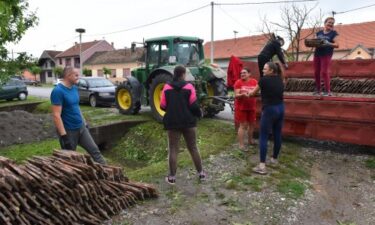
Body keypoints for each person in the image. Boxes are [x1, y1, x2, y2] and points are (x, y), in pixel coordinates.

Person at [50, 66, 106, 164]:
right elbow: (56, 115)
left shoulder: (74, 88)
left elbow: (76, 107)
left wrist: (84, 122)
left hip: (81, 127)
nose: (78, 77)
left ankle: (109, 175)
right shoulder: (58, 91)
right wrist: (64, 136)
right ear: (68, 75)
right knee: (70, 159)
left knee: (95, 151)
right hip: (68, 131)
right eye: (76, 75)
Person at [160, 65, 206, 185]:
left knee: (173, 149)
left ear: (174, 74)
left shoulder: (166, 87)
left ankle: (172, 177)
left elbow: (162, 106)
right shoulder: (189, 86)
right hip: (189, 122)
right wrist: (199, 114)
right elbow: (193, 105)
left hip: (172, 123)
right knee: (193, 147)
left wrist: (173, 110)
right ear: (183, 74)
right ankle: (201, 173)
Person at [248, 62, 285, 175]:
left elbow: (253, 93)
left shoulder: (264, 80)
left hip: (270, 110)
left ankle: (262, 166)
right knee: (277, 134)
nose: (263, 70)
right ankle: (274, 159)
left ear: (271, 71)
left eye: (265, 69)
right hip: (281, 108)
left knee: (263, 136)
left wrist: (249, 93)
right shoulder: (281, 79)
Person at [313, 17, 339, 96]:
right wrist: (313, 41)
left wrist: (328, 43)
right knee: (316, 72)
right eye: (329, 22)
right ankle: (318, 90)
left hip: (326, 54)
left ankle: (328, 91)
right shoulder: (319, 33)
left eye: (332, 23)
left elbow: (337, 45)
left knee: (324, 72)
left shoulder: (334, 33)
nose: (330, 24)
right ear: (325, 23)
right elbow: (314, 42)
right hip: (317, 53)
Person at [233, 68, 258, 151]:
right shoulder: (238, 82)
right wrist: (242, 95)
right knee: (243, 126)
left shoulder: (254, 82)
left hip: (252, 107)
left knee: (252, 124)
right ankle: (241, 145)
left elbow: (257, 92)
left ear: (249, 74)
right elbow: (236, 95)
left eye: (244, 73)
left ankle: (250, 141)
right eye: (241, 73)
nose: (242, 74)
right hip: (241, 108)